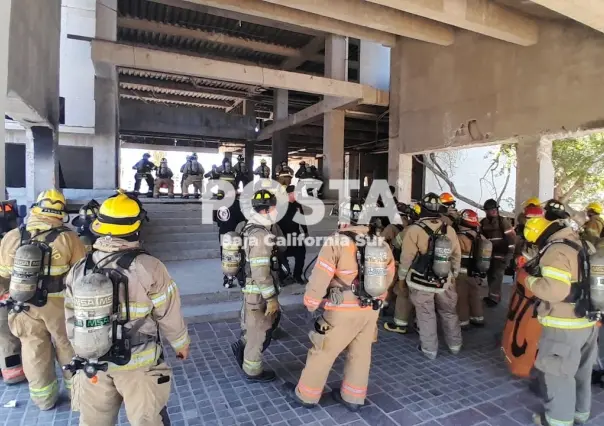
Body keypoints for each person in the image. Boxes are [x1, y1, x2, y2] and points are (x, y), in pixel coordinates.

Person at [64, 191, 190, 425]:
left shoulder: (80, 267)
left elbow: (70, 316)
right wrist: (181, 344)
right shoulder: (150, 267)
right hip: (138, 366)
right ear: (136, 228)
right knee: (146, 420)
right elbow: (169, 312)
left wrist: (84, 346)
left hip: (93, 364)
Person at [285, 199, 395, 411]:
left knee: (322, 351)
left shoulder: (337, 241)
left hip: (341, 311)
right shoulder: (380, 243)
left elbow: (320, 276)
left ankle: (306, 395)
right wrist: (379, 300)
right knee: (361, 354)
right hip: (370, 310)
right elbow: (389, 275)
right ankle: (353, 398)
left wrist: (310, 302)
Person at [0, 189, 86, 409]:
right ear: (61, 213)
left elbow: (2, 276)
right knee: (67, 347)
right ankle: (78, 398)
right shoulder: (69, 238)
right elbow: (81, 276)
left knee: (33, 350)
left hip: (22, 306)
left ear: (36, 209)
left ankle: (44, 400)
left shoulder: (12, 237)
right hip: (59, 306)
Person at [521, 217, 597, 426]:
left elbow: (555, 291)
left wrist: (530, 280)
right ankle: (580, 413)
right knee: (582, 370)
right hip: (587, 323)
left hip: (563, 326)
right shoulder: (583, 244)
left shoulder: (556, 251)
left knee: (559, 373)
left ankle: (558, 420)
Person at [400, 193, 462, 359]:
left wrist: (401, 278)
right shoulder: (449, 229)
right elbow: (456, 254)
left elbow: (407, 258)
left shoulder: (414, 230)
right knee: (449, 312)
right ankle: (455, 346)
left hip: (420, 281)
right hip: (444, 279)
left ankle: (430, 350)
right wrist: (454, 273)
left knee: (426, 314)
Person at [230, 190, 281, 382]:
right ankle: (252, 370)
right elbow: (260, 272)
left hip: (251, 290)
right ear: (270, 208)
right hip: (259, 294)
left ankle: (242, 346)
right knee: (259, 333)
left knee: (256, 327)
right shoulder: (260, 236)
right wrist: (271, 298)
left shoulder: (247, 227)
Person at [480, 199, 516, 307]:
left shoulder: (503, 222)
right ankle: (492, 296)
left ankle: (495, 299)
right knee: (491, 275)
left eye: (495, 209)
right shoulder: (483, 223)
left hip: (501, 255)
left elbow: (512, 240)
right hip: (488, 255)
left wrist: (509, 256)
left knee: (497, 277)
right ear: (486, 211)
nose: (494, 211)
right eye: (491, 210)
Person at [455, 209, 486, 329]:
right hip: (476, 271)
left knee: (461, 297)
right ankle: (478, 318)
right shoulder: (480, 236)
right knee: (475, 294)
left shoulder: (459, 237)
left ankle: (463, 321)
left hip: (462, 271)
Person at [214, 188, 246, 287]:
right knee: (239, 255)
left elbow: (215, 218)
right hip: (236, 233)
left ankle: (227, 279)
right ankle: (241, 278)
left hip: (223, 233)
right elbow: (243, 219)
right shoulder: (238, 204)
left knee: (225, 255)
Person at [277, 186, 309, 284]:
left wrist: (305, 231)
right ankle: (282, 276)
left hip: (296, 234)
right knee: (281, 257)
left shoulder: (297, 205)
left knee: (301, 253)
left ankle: (297, 275)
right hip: (283, 235)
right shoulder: (280, 205)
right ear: (289, 194)